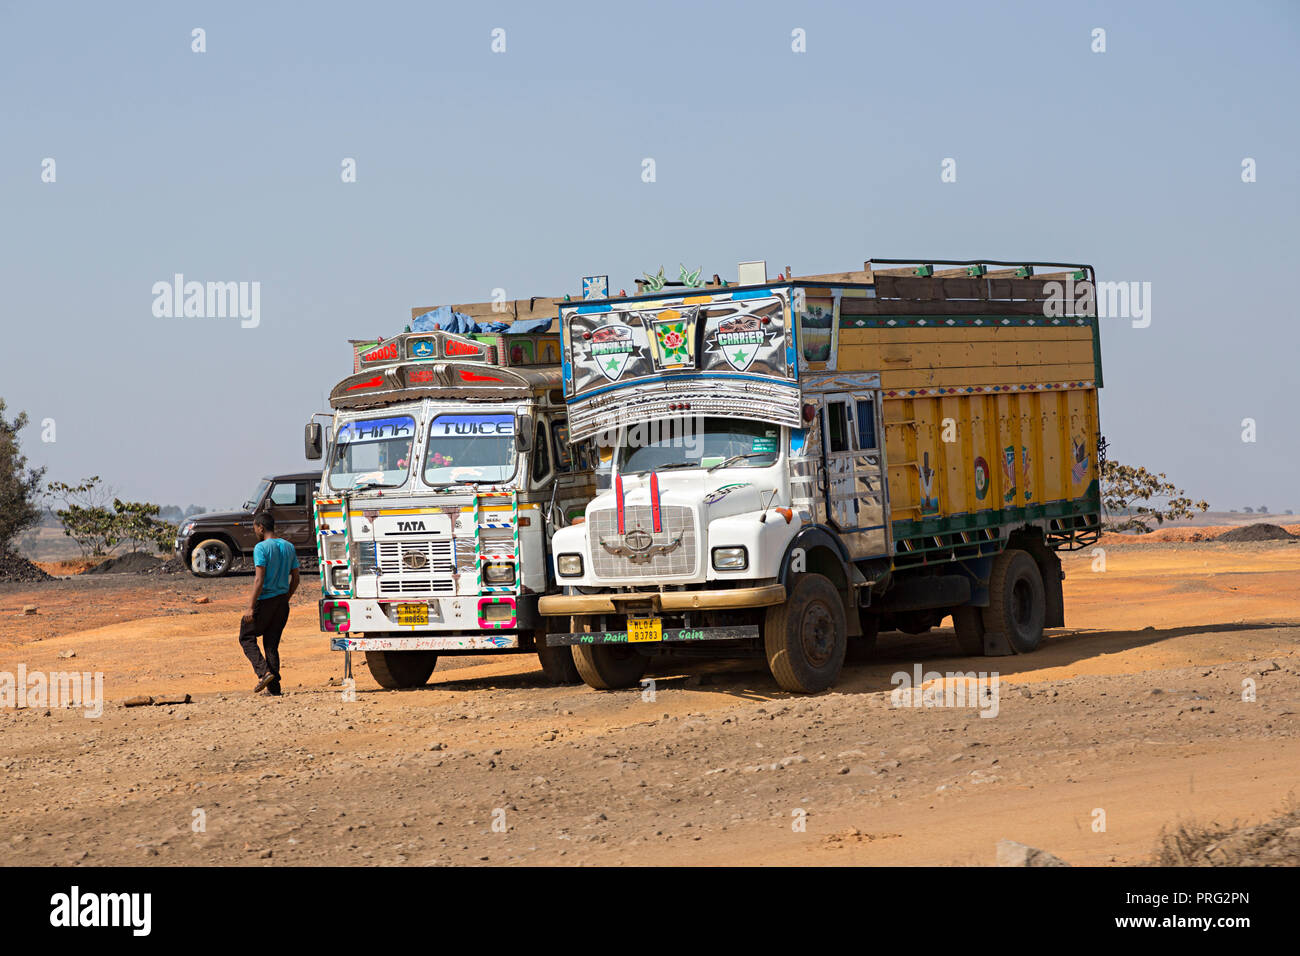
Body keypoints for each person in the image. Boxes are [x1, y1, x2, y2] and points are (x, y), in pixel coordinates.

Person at [238, 512, 299, 695]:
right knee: (271, 644)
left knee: (246, 637)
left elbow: (259, 579)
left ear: (261, 527)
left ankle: (263, 673)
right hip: (282, 602)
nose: (255, 531)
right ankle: (274, 689)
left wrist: (250, 606)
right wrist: (285, 598)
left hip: (265, 601)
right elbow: (295, 579)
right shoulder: (289, 547)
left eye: (255, 527)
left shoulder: (261, 548)